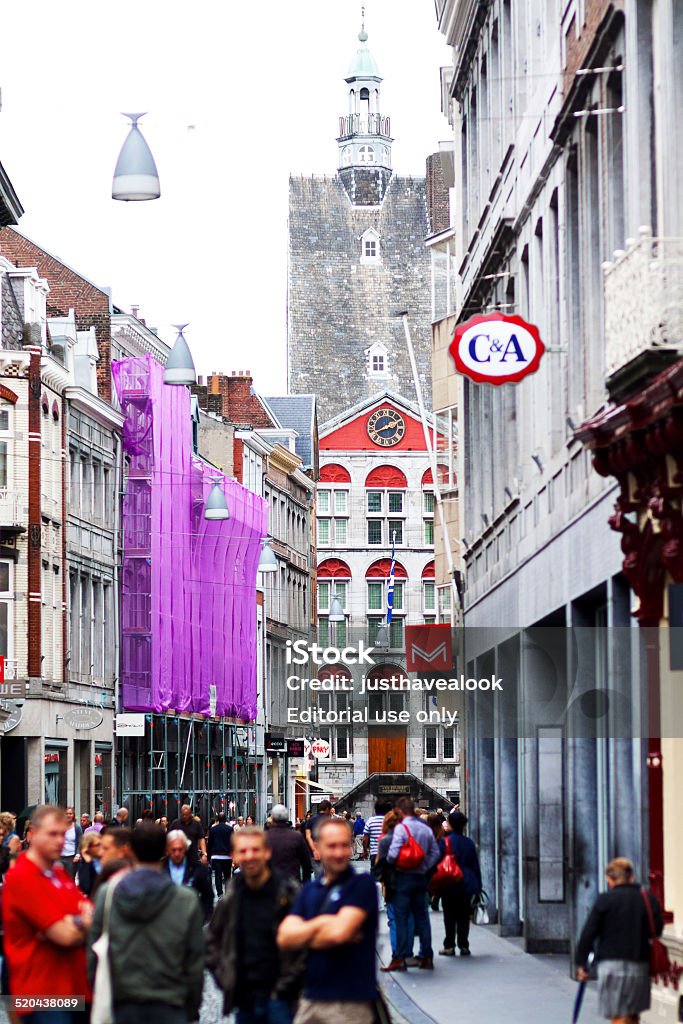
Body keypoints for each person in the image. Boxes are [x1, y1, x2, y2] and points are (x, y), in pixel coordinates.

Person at [87, 822, 204, 1024]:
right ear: (165, 851)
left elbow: (93, 952)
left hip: (123, 1001)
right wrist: (191, 1007)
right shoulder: (186, 899)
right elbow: (194, 961)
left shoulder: (109, 893)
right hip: (170, 1002)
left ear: (131, 850)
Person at [278, 818, 379, 1024]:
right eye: (332, 846)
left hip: (350, 1002)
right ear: (317, 849)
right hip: (309, 999)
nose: (339, 852)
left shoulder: (362, 885)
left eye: (344, 845)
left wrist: (306, 931)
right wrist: (325, 923)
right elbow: (285, 938)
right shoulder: (309, 890)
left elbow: (338, 933)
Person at [2, 805, 93, 1023]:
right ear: (32, 833)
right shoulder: (22, 876)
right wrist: (80, 922)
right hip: (40, 995)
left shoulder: (58, 872)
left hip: (72, 988)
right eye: (52, 834)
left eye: (63, 834)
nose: (60, 840)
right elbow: (65, 935)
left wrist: (73, 923)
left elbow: (91, 914)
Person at [207, 826, 305, 1024]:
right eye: (243, 851)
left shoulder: (287, 891)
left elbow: (306, 942)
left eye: (255, 850)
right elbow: (210, 940)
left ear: (267, 852)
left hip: (280, 997)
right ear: (234, 855)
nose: (250, 856)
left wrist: (290, 983)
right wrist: (226, 979)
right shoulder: (233, 894)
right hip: (245, 998)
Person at [576, 857, 663, 1024]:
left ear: (610, 879)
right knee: (632, 1015)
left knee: (617, 1014)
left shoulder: (605, 900)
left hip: (611, 966)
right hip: (639, 965)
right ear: (632, 877)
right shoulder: (647, 900)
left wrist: (582, 964)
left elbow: (588, 933)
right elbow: (657, 930)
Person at [383, 796, 441, 972]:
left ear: (401, 811)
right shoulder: (425, 829)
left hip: (404, 878)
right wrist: (424, 866)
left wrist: (400, 863)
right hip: (420, 878)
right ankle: (426, 956)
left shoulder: (402, 828)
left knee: (401, 918)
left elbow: (392, 854)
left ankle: (400, 957)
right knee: (422, 917)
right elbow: (435, 852)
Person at [438, 810, 481, 957]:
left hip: (449, 881)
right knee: (464, 915)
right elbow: (475, 865)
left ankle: (449, 945)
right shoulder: (469, 843)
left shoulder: (444, 842)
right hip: (466, 882)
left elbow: (438, 862)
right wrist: (478, 886)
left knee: (449, 915)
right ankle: (463, 944)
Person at [163, 829, 214, 921]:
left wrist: (202, 918)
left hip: (191, 920)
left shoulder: (197, 869)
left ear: (185, 849)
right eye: (173, 850)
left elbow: (208, 896)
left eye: (180, 849)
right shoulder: (160, 869)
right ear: (168, 850)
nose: (177, 853)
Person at [266, 805, 312, 885]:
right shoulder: (296, 837)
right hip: (292, 883)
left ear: (272, 819)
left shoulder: (265, 838)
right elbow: (306, 863)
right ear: (287, 819)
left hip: (271, 885)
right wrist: (305, 884)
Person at [208, 812, 234, 897]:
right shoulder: (230, 829)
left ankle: (220, 893)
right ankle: (228, 893)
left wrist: (209, 856)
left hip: (216, 855)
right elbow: (233, 842)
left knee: (217, 875)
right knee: (227, 875)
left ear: (218, 819)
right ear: (225, 819)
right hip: (227, 855)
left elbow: (210, 843)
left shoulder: (213, 829)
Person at [303, 800, 332, 871]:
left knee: (318, 876)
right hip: (328, 852)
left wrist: (314, 850)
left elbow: (308, 836)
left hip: (314, 853)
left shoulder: (311, 820)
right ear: (327, 809)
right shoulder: (330, 820)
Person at [76, 830, 104, 897]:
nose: (102, 847)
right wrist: (88, 861)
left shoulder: (106, 860)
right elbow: (86, 887)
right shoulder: (85, 866)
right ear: (88, 847)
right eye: (98, 845)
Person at [59, 807, 82, 878]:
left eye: (70, 814)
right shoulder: (60, 827)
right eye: (66, 814)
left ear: (73, 815)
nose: (68, 815)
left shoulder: (77, 828)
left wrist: (78, 854)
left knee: (70, 878)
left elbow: (80, 842)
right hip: (60, 856)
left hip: (71, 857)